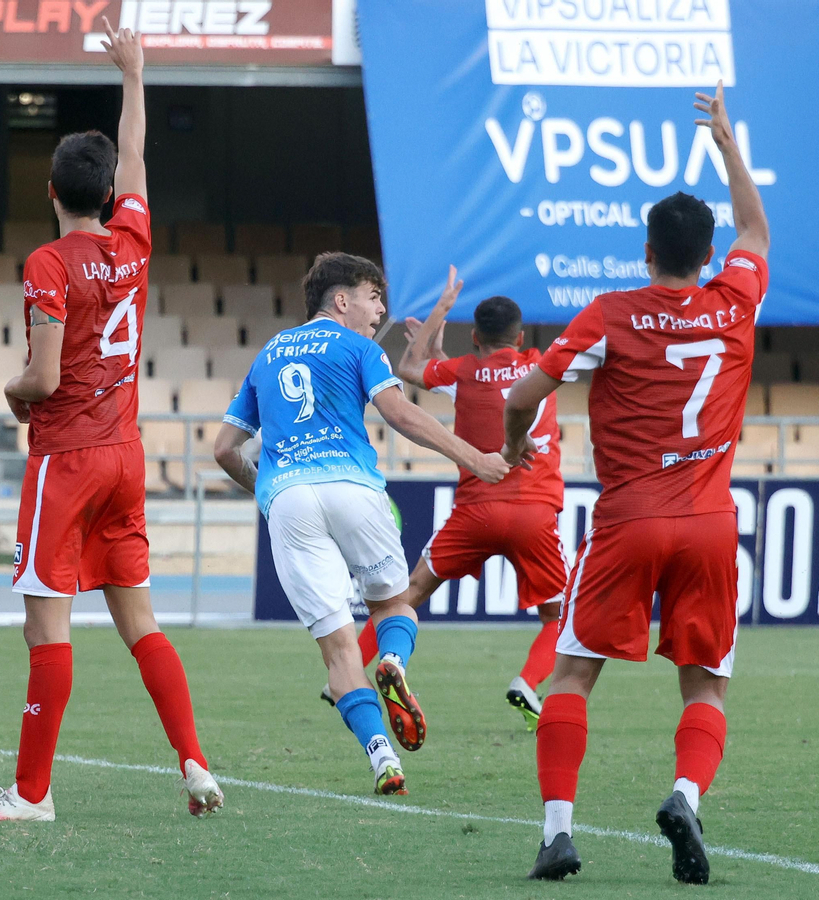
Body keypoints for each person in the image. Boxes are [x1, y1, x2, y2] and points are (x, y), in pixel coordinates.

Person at [0, 25, 224, 824]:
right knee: (139, 621)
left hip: (66, 459)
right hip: (126, 456)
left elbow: (43, 377)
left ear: (48, 189)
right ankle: (194, 762)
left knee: (47, 629)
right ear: (108, 196)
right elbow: (135, 156)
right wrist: (134, 74)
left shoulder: (47, 263)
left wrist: (10, 394)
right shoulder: (134, 242)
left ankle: (31, 795)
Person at [505, 82, 770, 884]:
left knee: (573, 673)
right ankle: (687, 794)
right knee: (706, 683)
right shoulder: (735, 300)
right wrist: (727, 146)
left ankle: (558, 834)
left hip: (628, 521)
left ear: (647, 251)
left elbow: (524, 393)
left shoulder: (614, 313)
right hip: (710, 523)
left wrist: (518, 443)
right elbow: (756, 228)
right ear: (707, 252)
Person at [212, 252, 513, 794]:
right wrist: (473, 457)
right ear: (342, 300)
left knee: (338, 650)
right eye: (374, 298)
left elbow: (224, 450)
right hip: (351, 487)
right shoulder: (359, 348)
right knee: (396, 606)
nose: (380, 312)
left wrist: (269, 492)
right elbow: (401, 413)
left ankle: (382, 759)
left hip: (289, 500)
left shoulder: (268, 354)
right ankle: (394, 659)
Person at [352, 270, 568, 731]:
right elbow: (502, 386)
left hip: (475, 513)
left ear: (473, 337)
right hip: (534, 512)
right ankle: (527, 683)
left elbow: (410, 368)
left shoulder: (466, 372)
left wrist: (440, 310)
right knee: (558, 616)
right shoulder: (541, 362)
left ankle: (347, 672)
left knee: (406, 595)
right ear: (522, 336)